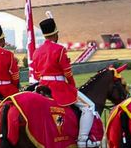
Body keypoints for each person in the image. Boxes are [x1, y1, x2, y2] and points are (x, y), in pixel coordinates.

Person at [30, 17, 96, 148]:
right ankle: (83, 141)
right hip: (58, 87)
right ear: (55, 34)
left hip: (42, 86)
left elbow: (37, 74)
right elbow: (67, 72)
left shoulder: (37, 51)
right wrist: (72, 86)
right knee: (89, 107)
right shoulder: (59, 49)